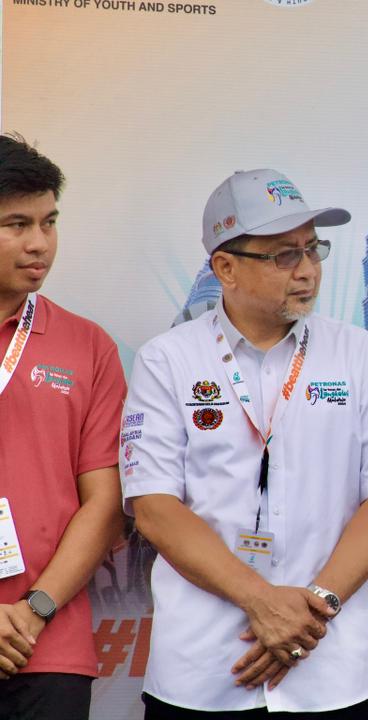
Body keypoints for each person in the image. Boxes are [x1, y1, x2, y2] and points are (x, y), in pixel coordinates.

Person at [121, 169, 368, 718]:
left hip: (327, 668)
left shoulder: (359, 354)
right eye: (283, 256)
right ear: (225, 268)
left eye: (313, 249)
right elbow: (155, 508)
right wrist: (260, 601)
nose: (307, 271)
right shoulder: (168, 359)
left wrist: (314, 607)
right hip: (204, 670)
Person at [0, 133, 127, 720]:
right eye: (17, 224)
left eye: (49, 223)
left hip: (45, 643)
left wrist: (35, 609)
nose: (40, 244)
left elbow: (104, 501)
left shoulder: (88, 345)